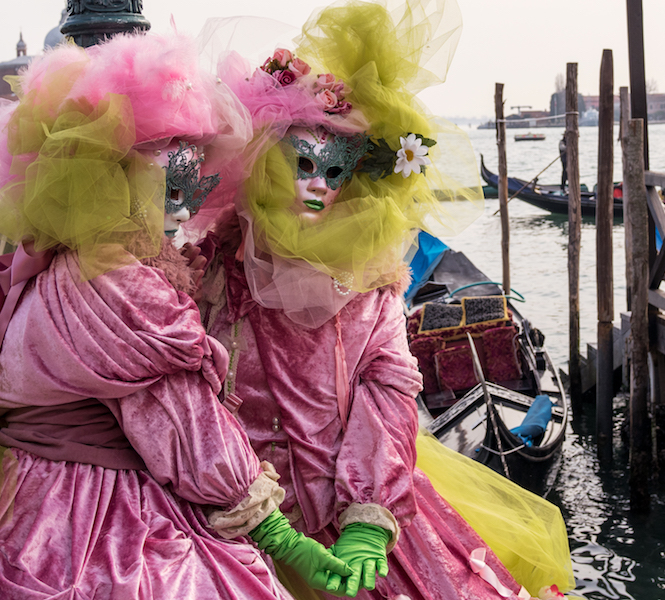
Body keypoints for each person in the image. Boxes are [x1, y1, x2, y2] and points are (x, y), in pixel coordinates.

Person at [192, 1, 574, 598]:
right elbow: (185, 398)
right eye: (304, 162)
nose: (320, 184)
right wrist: (256, 512)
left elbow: (387, 386)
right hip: (237, 524)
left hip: (352, 518)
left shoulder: (368, 281)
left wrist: (367, 515)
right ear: (263, 158)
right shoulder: (211, 271)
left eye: (338, 170)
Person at [0, 33, 351, 600]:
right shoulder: (120, 285)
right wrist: (281, 537)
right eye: (169, 190)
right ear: (115, 181)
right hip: (90, 510)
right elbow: (184, 424)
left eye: (194, 189)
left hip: (26, 496)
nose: (186, 212)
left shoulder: (47, 263)